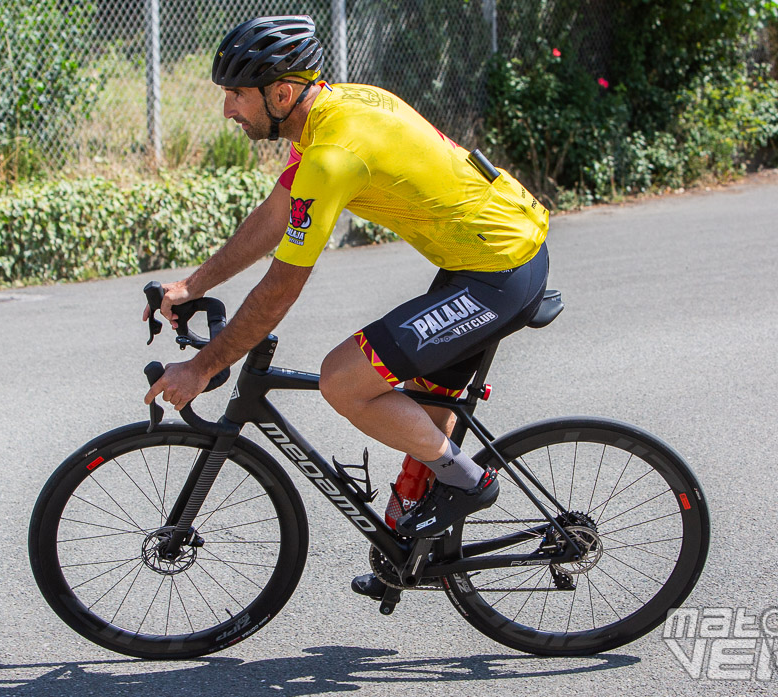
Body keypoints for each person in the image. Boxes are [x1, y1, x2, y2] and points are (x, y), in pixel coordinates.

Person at [144, 15, 550, 598]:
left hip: (500, 269)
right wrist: (192, 285)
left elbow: (281, 287)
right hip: (485, 252)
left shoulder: (335, 153)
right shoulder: (339, 106)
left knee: (343, 379)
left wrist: (203, 365)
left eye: (236, 95)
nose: (228, 110)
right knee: (423, 411)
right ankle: (410, 548)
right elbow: (276, 213)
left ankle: (470, 483)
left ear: (281, 93)